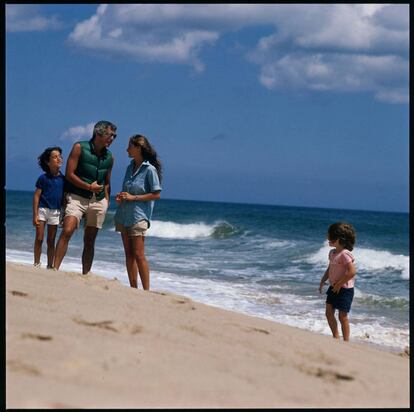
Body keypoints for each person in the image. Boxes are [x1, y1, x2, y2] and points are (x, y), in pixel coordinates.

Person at [53, 120, 117, 274]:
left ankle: (85, 275)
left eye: (115, 136)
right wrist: (88, 187)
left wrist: (107, 200)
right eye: (110, 135)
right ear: (98, 133)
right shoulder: (79, 147)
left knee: (90, 240)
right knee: (67, 230)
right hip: (76, 197)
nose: (113, 139)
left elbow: (107, 181)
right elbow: (69, 174)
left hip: (98, 201)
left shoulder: (110, 157)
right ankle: (54, 269)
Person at [114, 134, 162, 290]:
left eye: (129, 146)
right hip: (123, 215)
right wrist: (122, 196)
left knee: (139, 255)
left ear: (138, 148)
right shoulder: (129, 167)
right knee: (128, 254)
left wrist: (133, 197)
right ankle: (133, 289)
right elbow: (127, 190)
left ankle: (146, 291)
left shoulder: (150, 169)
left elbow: (156, 194)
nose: (127, 149)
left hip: (138, 216)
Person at [319, 222, 356, 342]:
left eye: (330, 237)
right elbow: (330, 268)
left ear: (339, 239)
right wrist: (323, 280)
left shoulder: (345, 254)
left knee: (342, 316)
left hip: (345, 290)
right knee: (328, 313)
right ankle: (335, 337)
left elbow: (352, 272)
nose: (328, 239)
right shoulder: (332, 253)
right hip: (333, 287)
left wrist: (340, 283)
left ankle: (346, 341)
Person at [32, 147, 65, 269]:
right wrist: (35, 215)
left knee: (51, 241)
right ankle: (36, 263)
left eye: (60, 156)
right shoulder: (43, 178)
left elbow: (65, 199)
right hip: (42, 209)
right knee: (39, 238)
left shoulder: (63, 179)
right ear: (48, 162)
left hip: (56, 212)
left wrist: (63, 215)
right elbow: (36, 196)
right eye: (55, 157)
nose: (59, 158)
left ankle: (50, 265)